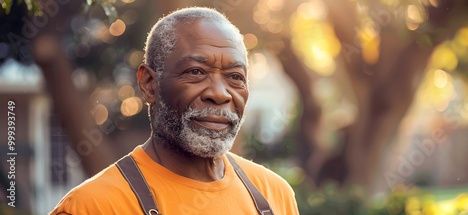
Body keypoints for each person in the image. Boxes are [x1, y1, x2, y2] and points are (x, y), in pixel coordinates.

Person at [50, 7, 299, 215]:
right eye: (196, 72)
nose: (220, 93)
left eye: (235, 77)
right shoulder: (93, 206)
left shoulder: (274, 194)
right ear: (149, 84)